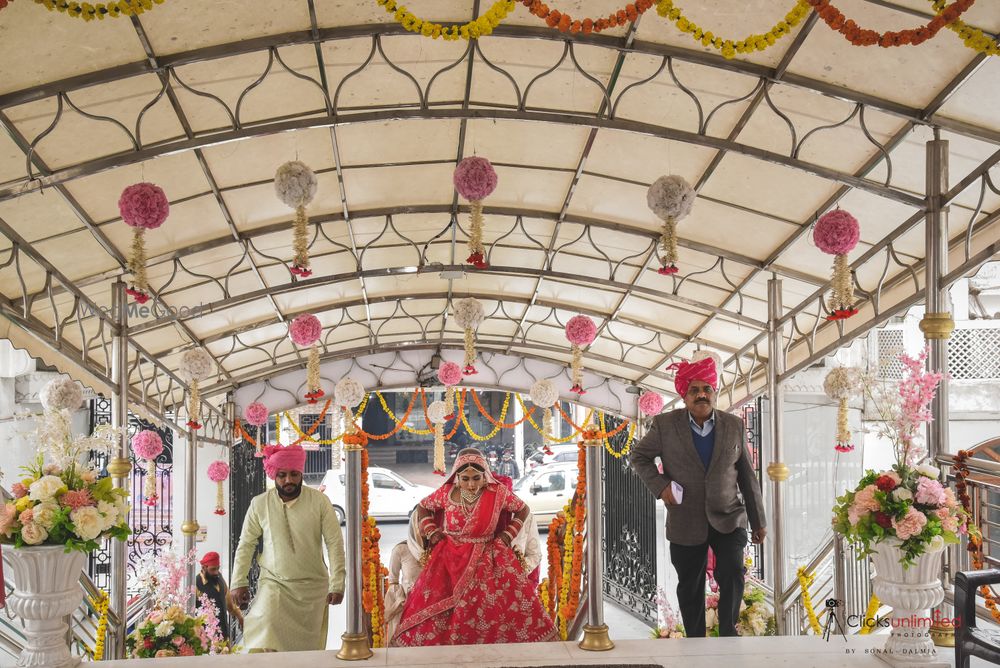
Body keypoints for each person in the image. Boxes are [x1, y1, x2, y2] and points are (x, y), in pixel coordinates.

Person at [630, 354, 766, 638]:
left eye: (707, 389)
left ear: (714, 392)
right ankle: (695, 643)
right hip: (685, 519)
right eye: (695, 390)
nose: (702, 395)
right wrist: (661, 485)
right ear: (685, 395)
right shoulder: (666, 425)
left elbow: (746, 474)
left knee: (731, 574)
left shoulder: (733, 425)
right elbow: (639, 456)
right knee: (689, 585)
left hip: (729, 516)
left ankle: (728, 634)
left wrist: (758, 520)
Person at [391, 449, 556, 646]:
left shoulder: (498, 493)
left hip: (486, 556)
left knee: (488, 606)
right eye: (466, 479)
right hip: (449, 557)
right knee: (439, 604)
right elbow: (423, 506)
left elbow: (522, 509)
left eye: (477, 478)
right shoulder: (447, 492)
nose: (471, 484)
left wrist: (507, 534)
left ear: (485, 476)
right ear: (457, 477)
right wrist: (432, 531)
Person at [230, 444, 346, 652]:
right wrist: (238, 581)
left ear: (301, 473)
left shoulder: (319, 501)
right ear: (274, 475)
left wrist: (337, 583)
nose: (288, 480)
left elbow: (334, 542)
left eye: (294, 474)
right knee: (265, 627)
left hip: (312, 588)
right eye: (282, 475)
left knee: (306, 650)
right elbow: (246, 544)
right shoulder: (259, 504)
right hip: (274, 582)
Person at [195, 551, 243, 640]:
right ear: (204, 567)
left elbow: (230, 604)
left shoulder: (219, 578)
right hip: (206, 638)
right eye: (213, 569)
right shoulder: (196, 584)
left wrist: (240, 617)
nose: (216, 572)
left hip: (224, 632)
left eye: (218, 568)